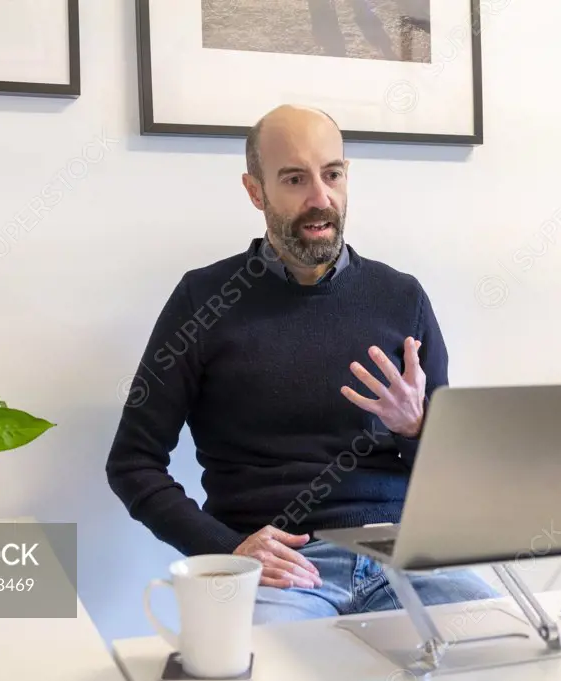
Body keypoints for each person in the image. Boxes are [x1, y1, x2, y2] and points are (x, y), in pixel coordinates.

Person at [105, 104, 498, 623]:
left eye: (332, 174)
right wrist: (226, 548)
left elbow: (453, 475)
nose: (320, 198)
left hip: (403, 555)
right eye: (294, 179)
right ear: (255, 191)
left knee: (508, 644)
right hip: (285, 570)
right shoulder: (203, 299)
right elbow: (132, 463)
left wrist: (417, 428)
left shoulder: (402, 297)